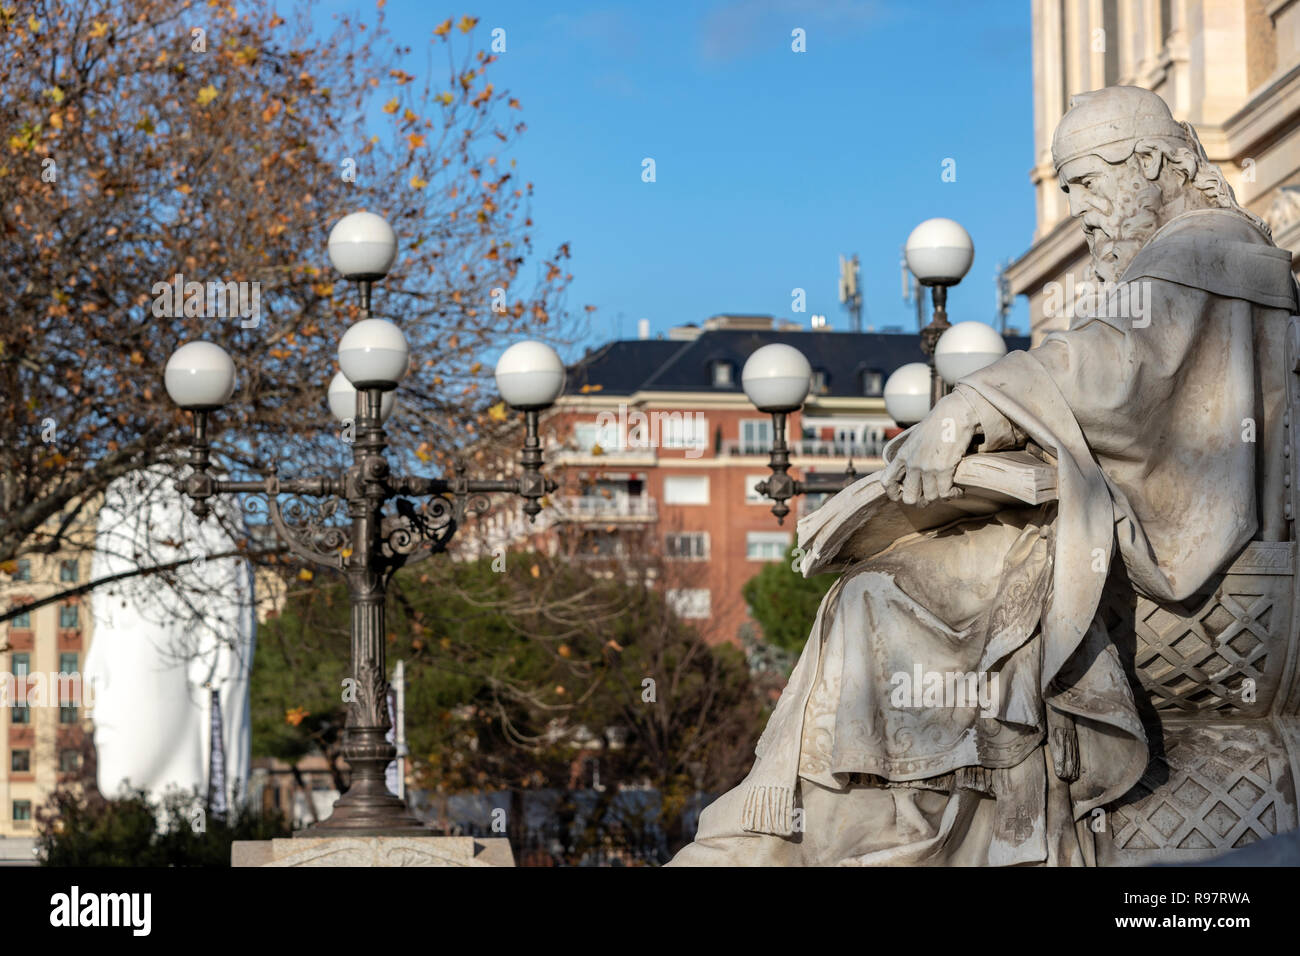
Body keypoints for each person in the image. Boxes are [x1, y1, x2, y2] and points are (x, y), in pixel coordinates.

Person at [670, 86, 1299, 866]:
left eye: (1088, 184)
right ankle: (846, 819)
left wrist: (973, 406)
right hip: (1110, 525)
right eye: (1066, 190)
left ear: (1147, 163)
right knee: (882, 589)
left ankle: (877, 830)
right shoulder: (1184, 262)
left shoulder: (1202, 252)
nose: (1079, 210)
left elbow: (1113, 371)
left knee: (882, 598)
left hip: (1156, 553)